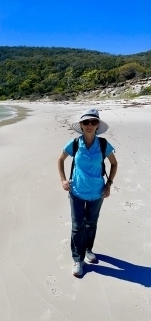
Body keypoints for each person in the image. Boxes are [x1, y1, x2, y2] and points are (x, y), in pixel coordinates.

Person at [57, 108, 118, 278]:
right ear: (81, 125)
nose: (90, 125)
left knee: (91, 223)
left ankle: (88, 249)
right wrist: (63, 180)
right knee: (78, 226)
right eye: (86, 122)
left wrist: (109, 184)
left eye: (93, 122)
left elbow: (114, 164)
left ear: (97, 125)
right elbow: (60, 159)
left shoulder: (104, 145)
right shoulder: (74, 144)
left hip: (97, 192)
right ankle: (78, 259)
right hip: (76, 191)